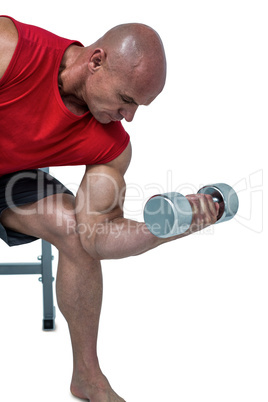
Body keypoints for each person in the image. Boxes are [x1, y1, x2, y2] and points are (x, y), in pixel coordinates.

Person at [0, 16, 219, 401]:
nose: (130, 117)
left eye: (139, 107)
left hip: (7, 177)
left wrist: (168, 226)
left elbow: (97, 237)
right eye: (127, 100)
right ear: (96, 61)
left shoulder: (111, 147)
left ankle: (87, 377)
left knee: (74, 230)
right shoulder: (10, 49)